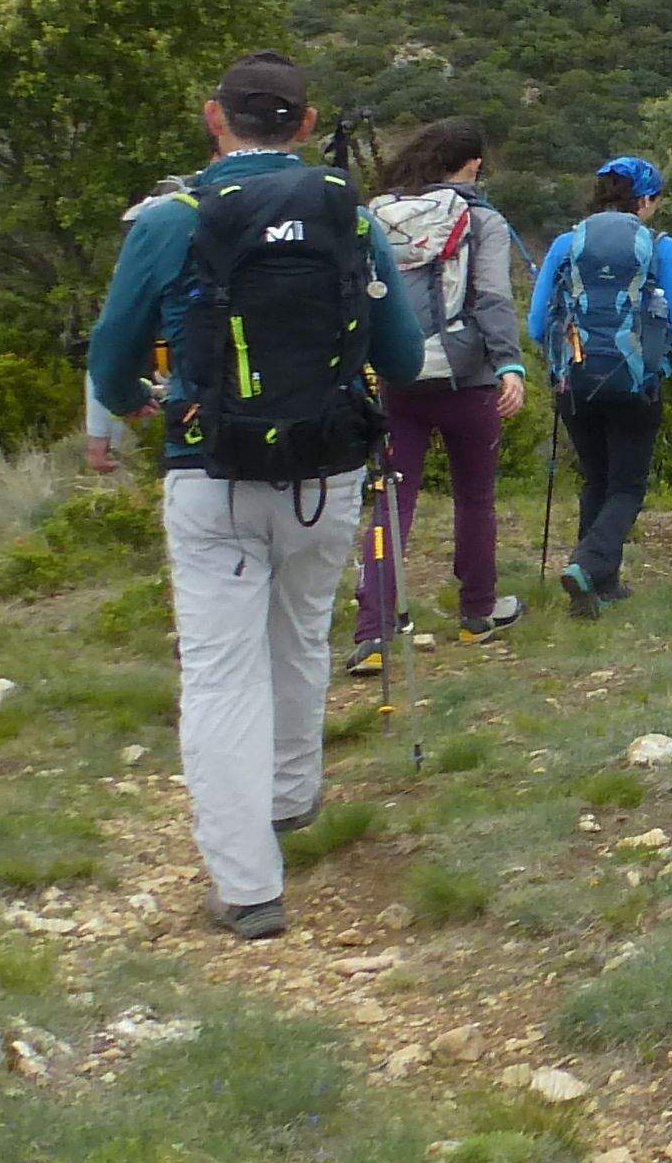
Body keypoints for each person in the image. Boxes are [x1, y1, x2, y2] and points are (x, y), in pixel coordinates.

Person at [84, 54, 426, 939]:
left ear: (214, 118)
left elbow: (112, 355)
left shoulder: (170, 219)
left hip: (210, 470)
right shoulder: (348, 214)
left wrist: (137, 407)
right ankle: (291, 795)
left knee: (221, 668)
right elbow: (398, 354)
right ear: (306, 125)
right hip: (328, 470)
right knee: (301, 629)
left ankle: (247, 885)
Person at [526, 156, 672, 616]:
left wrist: (563, 357)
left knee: (597, 479)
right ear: (644, 199)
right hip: (636, 384)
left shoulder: (566, 243)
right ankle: (587, 564)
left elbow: (537, 325)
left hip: (575, 383)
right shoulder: (660, 247)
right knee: (626, 487)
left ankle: (601, 586)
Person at [357, 117, 530, 671]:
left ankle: (373, 631)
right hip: (468, 377)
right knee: (475, 498)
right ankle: (477, 613)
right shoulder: (483, 220)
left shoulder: (382, 215)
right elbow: (493, 299)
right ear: (473, 164)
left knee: (392, 499)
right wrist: (510, 364)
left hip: (399, 376)